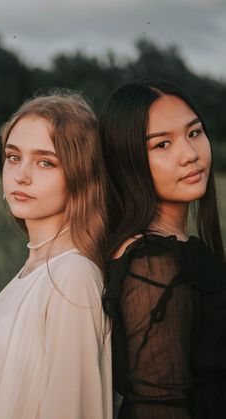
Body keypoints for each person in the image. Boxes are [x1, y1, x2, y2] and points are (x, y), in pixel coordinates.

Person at [99, 80, 226, 419]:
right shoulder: (151, 263)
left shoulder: (177, 249)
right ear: (127, 160)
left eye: (194, 133)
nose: (189, 154)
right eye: (162, 144)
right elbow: (159, 406)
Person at [0, 91, 112, 419]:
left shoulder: (73, 276)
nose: (22, 175)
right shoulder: (30, 271)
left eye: (46, 161)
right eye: (13, 156)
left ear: (81, 174)